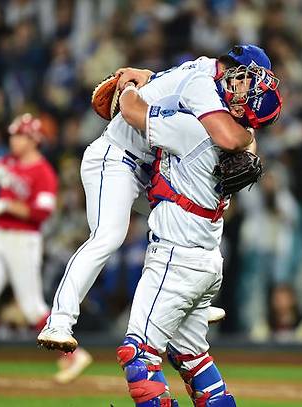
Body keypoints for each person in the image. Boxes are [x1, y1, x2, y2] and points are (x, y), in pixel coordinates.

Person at [38, 44, 280, 352]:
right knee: (109, 236)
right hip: (115, 158)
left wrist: (143, 77)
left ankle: (191, 303)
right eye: (249, 78)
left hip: (148, 168)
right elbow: (230, 137)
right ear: (233, 68)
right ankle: (58, 320)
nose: (251, 87)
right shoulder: (204, 85)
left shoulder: (208, 75)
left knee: (189, 214)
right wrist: (127, 87)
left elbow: (168, 84)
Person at [112, 64, 281, 406]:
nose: (238, 83)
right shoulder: (243, 141)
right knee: (193, 358)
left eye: (247, 88)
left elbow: (131, 111)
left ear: (242, 109)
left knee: (138, 354)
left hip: (176, 257)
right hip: (206, 261)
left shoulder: (194, 131)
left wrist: (129, 85)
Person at [0, 114, 92, 384]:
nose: (14, 139)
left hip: (24, 240)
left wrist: (7, 206)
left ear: (33, 140)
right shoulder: (7, 162)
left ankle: (73, 355)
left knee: (32, 307)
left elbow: (41, 213)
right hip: (0, 237)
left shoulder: (44, 172)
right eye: (13, 134)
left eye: (20, 135)